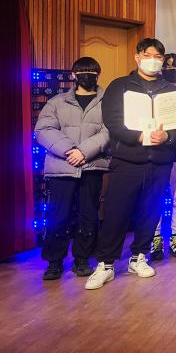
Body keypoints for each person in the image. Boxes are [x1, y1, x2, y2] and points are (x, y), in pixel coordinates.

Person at [86, 38, 176, 290]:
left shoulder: (171, 89)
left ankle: (139, 256)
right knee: (116, 212)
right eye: (148, 55)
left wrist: (168, 136)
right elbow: (113, 120)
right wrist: (138, 137)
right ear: (137, 57)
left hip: (161, 161)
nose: (153, 60)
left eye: (158, 57)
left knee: (151, 211)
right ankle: (106, 263)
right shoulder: (120, 86)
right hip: (127, 160)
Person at [35, 57, 109, 281]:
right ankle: (54, 262)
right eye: (83, 71)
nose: (88, 75)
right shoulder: (56, 102)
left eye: (92, 71)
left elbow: (109, 131)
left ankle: (82, 259)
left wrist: (83, 152)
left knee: (88, 214)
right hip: (62, 166)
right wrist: (69, 150)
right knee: (58, 215)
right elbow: (43, 129)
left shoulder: (107, 102)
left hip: (92, 166)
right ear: (73, 75)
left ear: (98, 74)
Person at [151, 52, 176, 260]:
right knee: (156, 196)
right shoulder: (153, 91)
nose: (171, 70)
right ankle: (156, 237)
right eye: (167, 66)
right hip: (158, 150)